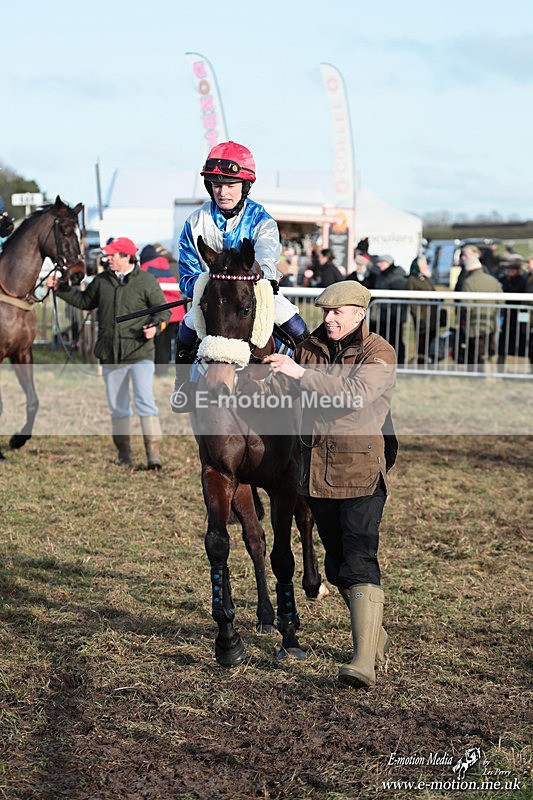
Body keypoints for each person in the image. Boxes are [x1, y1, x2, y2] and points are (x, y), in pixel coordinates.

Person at [238, 281, 397, 688]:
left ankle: (363, 662)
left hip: (361, 473)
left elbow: (354, 395)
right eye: (325, 312)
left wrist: (299, 372)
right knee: (336, 567)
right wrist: (260, 379)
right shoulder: (308, 348)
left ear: (359, 314)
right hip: (316, 474)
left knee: (359, 560)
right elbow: (290, 392)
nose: (328, 319)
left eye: (337, 312)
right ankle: (375, 636)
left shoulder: (378, 352)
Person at [175, 141, 309, 384]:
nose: (222, 192)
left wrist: (253, 279)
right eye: (217, 185)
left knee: (296, 327)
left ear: (244, 186)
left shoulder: (262, 221)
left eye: (230, 185)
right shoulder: (194, 222)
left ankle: (308, 380)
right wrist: (212, 289)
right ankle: (182, 385)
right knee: (185, 330)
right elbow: (188, 273)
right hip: (212, 297)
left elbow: (266, 263)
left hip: (254, 294)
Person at [46, 237, 170, 468]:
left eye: (112, 255)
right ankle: (124, 456)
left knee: (145, 402)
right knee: (118, 407)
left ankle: (153, 456)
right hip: (110, 355)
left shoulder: (146, 281)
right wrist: (59, 288)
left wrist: (155, 326)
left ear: (127, 257)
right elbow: (84, 301)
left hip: (140, 354)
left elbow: (163, 312)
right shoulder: (102, 280)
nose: (108, 258)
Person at [139, 244, 185, 376]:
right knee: (166, 346)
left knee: (158, 346)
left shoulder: (145, 268)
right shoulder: (167, 266)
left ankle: (159, 374)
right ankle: (163, 373)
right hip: (177, 312)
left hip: (161, 314)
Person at [456, 252, 503, 372]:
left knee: (478, 352)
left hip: (475, 325)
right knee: (491, 350)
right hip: (491, 323)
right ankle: (492, 374)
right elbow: (501, 302)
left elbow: (467, 306)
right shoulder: (493, 280)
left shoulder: (468, 282)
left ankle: (480, 375)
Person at [370, 254, 407, 364]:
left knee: (395, 340)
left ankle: (399, 362)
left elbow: (400, 298)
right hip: (382, 316)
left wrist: (394, 313)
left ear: (388, 263)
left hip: (393, 316)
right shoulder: (381, 276)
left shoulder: (397, 277)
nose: (379, 264)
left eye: (381, 262)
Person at [405, 255, 440, 363]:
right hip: (422, 316)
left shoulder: (425, 278)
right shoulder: (412, 279)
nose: (426, 266)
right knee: (422, 342)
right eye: (423, 264)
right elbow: (412, 300)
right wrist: (418, 317)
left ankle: (430, 362)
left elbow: (432, 291)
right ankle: (421, 363)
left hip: (432, 315)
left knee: (431, 340)